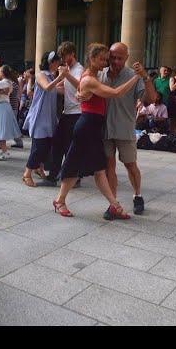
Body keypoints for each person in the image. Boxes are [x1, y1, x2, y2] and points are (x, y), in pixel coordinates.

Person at [53, 43, 146, 219]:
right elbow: (116, 92)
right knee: (74, 165)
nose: (105, 62)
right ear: (92, 58)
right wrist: (137, 77)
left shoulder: (94, 75)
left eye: (106, 59)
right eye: (102, 59)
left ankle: (114, 205)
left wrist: (76, 87)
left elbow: (81, 86)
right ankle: (60, 201)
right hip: (87, 126)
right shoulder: (91, 77)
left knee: (99, 169)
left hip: (94, 127)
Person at [88, 42, 157, 217]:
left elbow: (151, 99)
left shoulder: (133, 76)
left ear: (127, 58)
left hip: (125, 128)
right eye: (113, 57)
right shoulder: (100, 74)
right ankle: (114, 204)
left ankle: (138, 194)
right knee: (109, 165)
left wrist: (146, 77)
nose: (116, 61)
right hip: (104, 129)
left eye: (120, 58)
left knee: (130, 164)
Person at [38, 41, 83, 187]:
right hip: (67, 111)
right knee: (57, 143)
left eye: (65, 56)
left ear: (72, 54)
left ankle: (74, 177)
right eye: (61, 57)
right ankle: (53, 176)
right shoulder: (67, 69)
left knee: (70, 146)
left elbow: (82, 87)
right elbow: (63, 88)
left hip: (77, 112)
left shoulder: (79, 69)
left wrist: (66, 75)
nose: (63, 59)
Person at [22, 51, 67, 187]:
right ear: (51, 62)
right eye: (57, 61)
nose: (59, 64)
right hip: (40, 117)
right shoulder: (41, 75)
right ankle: (27, 174)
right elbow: (48, 87)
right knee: (39, 147)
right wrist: (61, 77)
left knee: (46, 146)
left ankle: (39, 168)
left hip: (48, 118)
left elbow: (58, 89)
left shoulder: (51, 76)